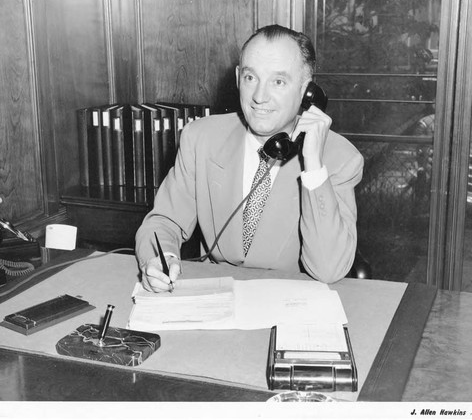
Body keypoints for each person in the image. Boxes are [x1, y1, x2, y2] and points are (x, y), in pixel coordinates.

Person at [135, 24, 364, 292]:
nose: (259, 97)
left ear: (307, 91)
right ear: (237, 78)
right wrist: (161, 260)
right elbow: (164, 221)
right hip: (216, 300)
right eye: (250, 78)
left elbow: (329, 268)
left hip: (289, 303)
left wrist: (313, 165)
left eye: (278, 81)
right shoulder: (201, 138)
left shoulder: (339, 158)